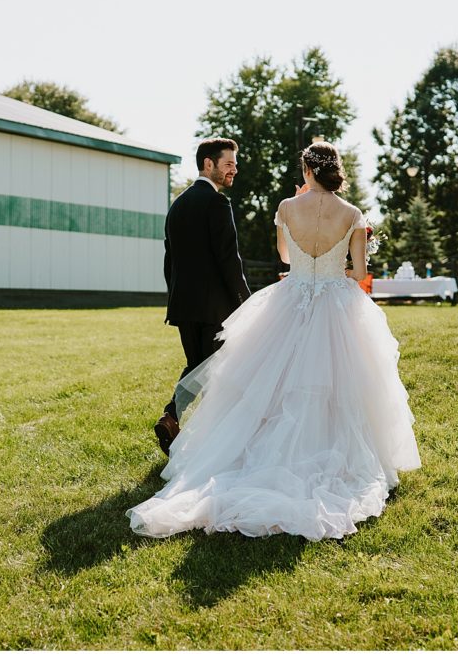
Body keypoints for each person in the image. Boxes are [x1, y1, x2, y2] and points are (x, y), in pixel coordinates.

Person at [129, 141, 421, 541]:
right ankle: (334, 453)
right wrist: (338, 264)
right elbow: (358, 273)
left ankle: (248, 449)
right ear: (334, 169)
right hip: (336, 304)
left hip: (291, 301)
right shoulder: (352, 214)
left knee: (271, 379)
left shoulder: (286, 208)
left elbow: (285, 259)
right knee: (342, 381)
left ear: (306, 170)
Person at [154, 138, 251, 456]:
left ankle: (173, 419)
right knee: (216, 369)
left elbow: (170, 260)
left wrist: (177, 297)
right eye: (228, 163)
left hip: (183, 306)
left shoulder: (177, 205)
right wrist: (245, 301)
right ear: (208, 164)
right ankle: (219, 437)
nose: (234, 169)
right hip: (215, 308)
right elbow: (229, 259)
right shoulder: (217, 203)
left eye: (235, 164)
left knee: (197, 365)